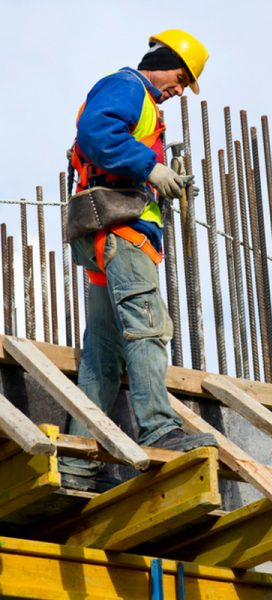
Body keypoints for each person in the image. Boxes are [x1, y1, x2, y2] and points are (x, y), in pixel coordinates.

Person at [60, 30, 216, 492]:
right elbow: (96, 134)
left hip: (108, 236)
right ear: (162, 61)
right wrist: (150, 168)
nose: (180, 89)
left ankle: (78, 460)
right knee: (148, 328)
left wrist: (158, 176)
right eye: (181, 77)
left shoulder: (145, 104)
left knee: (103, 356)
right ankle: (159, 427)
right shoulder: (129, 87)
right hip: (121, 234)